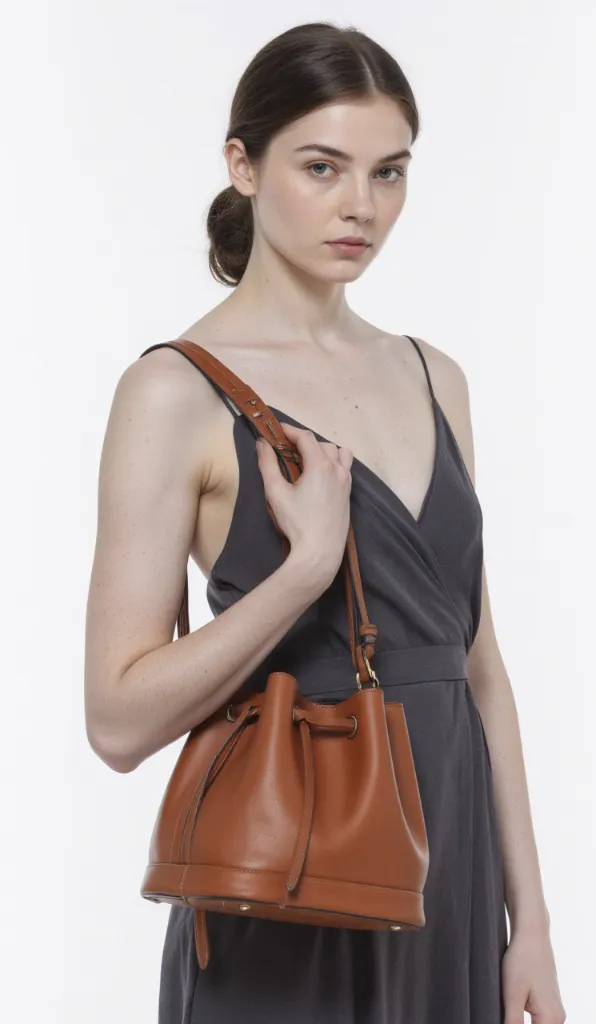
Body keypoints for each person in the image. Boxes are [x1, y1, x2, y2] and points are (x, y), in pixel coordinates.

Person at [83, 20, 566, 1024]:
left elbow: (479, 671)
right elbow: (117, 719)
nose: (361, 206)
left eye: (389, 173)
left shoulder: (435, 376)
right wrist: (303, 573)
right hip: (291, 872)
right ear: (242, 164)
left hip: (448, 873)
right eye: (322, 166)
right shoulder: (172, 392)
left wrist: (534, 929)